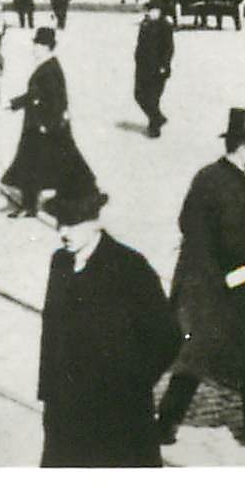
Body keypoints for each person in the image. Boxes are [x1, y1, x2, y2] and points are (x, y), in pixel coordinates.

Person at [37, 185, 181, 467]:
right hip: (65, 413)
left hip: (118, 414)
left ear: (96, 223)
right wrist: (49, 397)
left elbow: (167, 336)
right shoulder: (60, 263)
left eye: (73, 224)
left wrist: (131, 383)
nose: (63, 232)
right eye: (60, 223)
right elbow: (51, 334)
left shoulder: (129, 266)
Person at [157, 109, 245, 445]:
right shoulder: (233, 185)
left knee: (196, 355)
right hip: (226, 283)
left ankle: (168, 422)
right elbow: (236, 240)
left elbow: (186, 221)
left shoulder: (207, 175)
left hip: (196, 280)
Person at [3, 27, 93, 216]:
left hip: (43, 127)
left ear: (47, 47)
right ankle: (31, 205)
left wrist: (46, 125)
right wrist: (14, 104)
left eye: (39, 45)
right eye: (35, 44)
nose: (34, 48)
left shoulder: (50, 69)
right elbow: (36, 94)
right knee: (42, 165)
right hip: (42, 126)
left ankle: (33, 206)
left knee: (41, 165)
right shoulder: (47, 66)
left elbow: (58, 101)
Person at [133, 1, 176, 137]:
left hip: (158, 69)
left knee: (152, 99)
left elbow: (169, 48)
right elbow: (140, 44)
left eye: (153, 10)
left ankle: (155, 127)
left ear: (159, 11)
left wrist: (164, 65)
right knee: (139, 95)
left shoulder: (165, 26)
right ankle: (158, 118)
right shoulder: (145, 24)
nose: (149, 13)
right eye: (148, 10)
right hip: (142, 67)